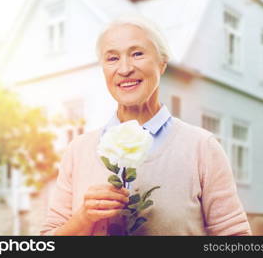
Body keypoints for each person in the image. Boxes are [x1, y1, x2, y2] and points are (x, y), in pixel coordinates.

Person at [40, 15, 252, 236]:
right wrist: (83, 219)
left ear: (162, 63)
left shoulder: (202, 148)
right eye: (112, 58)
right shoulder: (78, 151)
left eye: (137, 54)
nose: (124, 69)